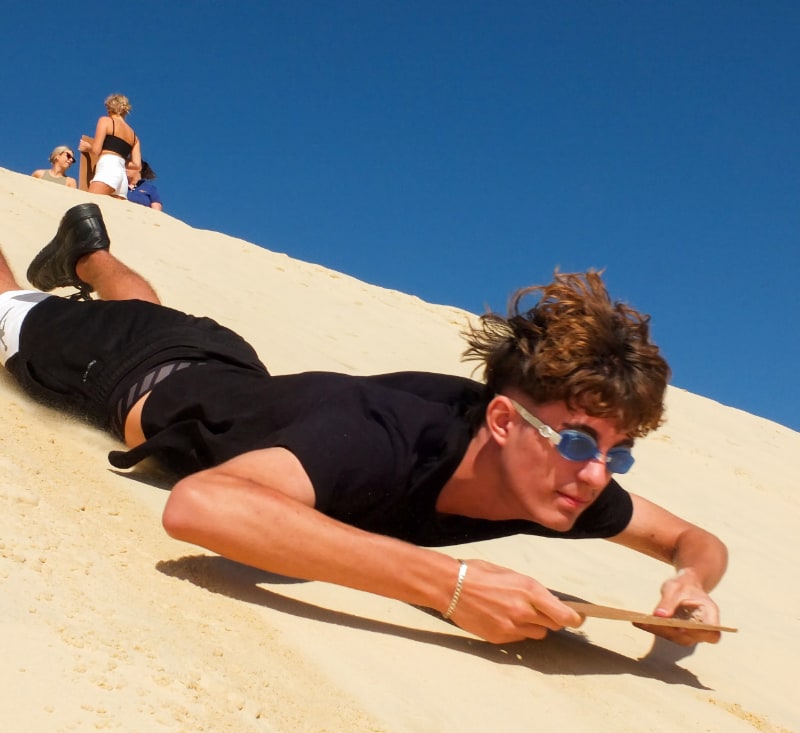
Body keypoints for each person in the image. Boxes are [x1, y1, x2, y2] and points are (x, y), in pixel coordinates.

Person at [0, 204, 729, 647]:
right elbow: (200, 505)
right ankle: (83, 260)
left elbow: (692, 540)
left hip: (224, 361)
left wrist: (691, 583)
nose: (596, 473)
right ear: (504, 421)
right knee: (9, 304)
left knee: (152, 312)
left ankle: (90, 255)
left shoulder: (561, 479)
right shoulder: (379, 439)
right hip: (124, 370)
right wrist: (452, 585)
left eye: (617, 454)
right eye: (577, 441)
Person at [78, 94, 142, 198]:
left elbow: (96, 150)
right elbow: (137, 164)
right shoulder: (134, 137)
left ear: (110, 107)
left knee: (90, 202)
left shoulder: (105, 121)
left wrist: (88, 147)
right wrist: (119, 160)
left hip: (108, 168)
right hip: (122, 177)